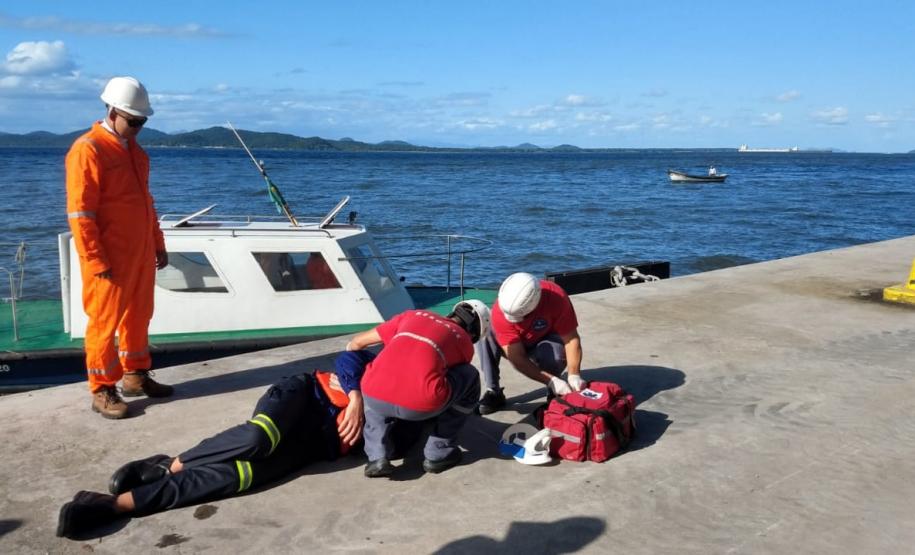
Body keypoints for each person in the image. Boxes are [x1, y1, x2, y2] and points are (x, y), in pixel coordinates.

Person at [57, 351, 402, 539]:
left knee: (242, 475)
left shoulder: (415, 413)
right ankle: (170, 464)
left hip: (318, 444)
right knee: (259, 438)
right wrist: (356, 398)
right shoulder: (388, 363)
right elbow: (349, 357)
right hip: (306, 395)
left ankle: (115, 504)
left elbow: (391, 449)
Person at [65, 76, 172, 419]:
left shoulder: (137, 154)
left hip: (139, 253)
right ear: (112, 112)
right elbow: (81, 214)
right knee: (104, 323)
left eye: (143, 122)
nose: (138, 128)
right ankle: (101, 389)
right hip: (109, 258)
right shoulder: (88, 149)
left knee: (139, 317)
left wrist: (157, 243)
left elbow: (147, 203)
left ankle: (136, 374)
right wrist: (95, 260)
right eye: (133, 121)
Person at [347, 300, 491, 477]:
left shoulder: (412, 315)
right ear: (474, 334)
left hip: (374, 395)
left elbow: (357, 343)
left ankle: (376, 456)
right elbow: (447, 374)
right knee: (470, 376)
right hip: (420, 404)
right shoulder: (464, 342)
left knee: (377, 378)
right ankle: (439, 453)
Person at [475, 272, 585, 415]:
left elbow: (571, 340)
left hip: (546, 338)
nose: (517, 321)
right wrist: (550, 380)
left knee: (555, 354)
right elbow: (517, 358)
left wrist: (574, 374)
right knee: (486, 334)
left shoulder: (556, 298)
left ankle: (554, 392)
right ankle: (494, 391)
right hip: (515, 346)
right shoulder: (500, 313)